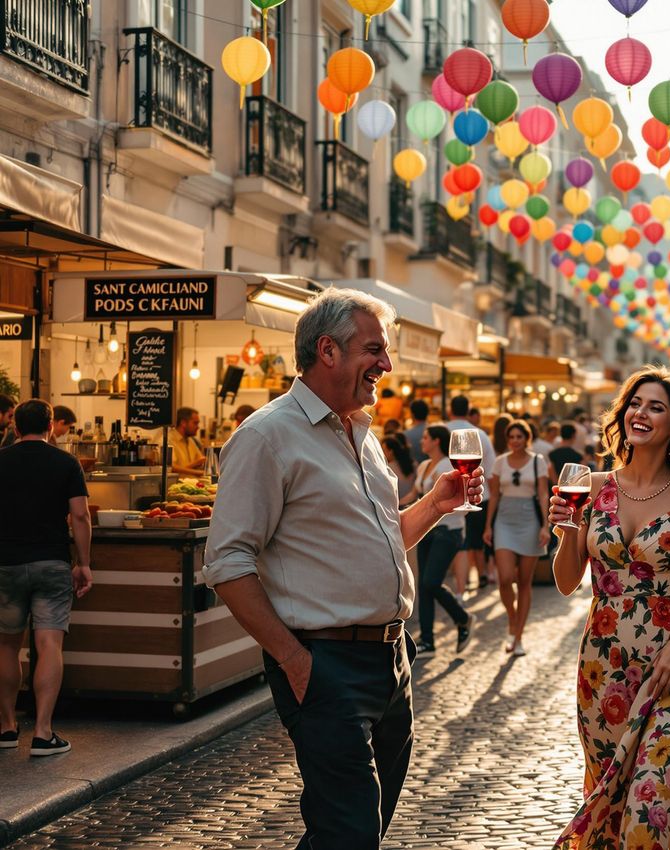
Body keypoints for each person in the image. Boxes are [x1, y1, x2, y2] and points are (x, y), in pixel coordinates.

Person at [203, 288, 484, 849]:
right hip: (324, 662)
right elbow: (227, 562)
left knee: (361, 826)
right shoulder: (265, 435)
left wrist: (434, 503)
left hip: (389, 660)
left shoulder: (362, 433)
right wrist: (294, 660)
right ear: (327, 351)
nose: (386, 364)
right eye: (374, 350)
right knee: (349, 829)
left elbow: (383, 542)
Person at [548, 366, 670, 850]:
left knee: (647, 819)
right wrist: (567, 530)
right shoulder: (592, 486)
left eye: (656, 407)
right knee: (611, 813)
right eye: (634, 403)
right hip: (603, 672)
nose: (640, 412)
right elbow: (567, 582)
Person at [0, 400, 93, 756]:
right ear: (51, 426)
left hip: (5, 563)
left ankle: (7, 727)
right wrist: (83, 563)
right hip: (52, 562)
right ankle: (42, 732)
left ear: (16, 426)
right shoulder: (66, 463)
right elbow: (80, 516)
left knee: (7, 645)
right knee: (49, 644)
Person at [483, 419, 550, 657]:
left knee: (524, 582)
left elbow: (543, 494)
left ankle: (518, 636)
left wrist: (545, 525)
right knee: (505, 578)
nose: (515, 441)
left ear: (526, 438)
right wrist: (488, 526)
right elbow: (493, 496)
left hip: (530, 520)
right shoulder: (500, 462)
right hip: (504, 519)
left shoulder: (537, 461)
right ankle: (512, 620)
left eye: (519, 437)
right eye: (511, 437)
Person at [409, 426, 472, 658]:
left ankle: (462, 618)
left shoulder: (448, 465)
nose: (421, 441)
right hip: (428, 529)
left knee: (430, 581)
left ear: (436, 441)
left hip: (448, 530)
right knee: (423, 586)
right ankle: (427, 641)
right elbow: (417, 497)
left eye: (425, 437)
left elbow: (450, 502)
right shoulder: (425, 466)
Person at [447, 395, 495, 597]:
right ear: (468, 411)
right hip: (479, 496)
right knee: (474, 541)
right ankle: (480, 574)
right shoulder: (481, 435)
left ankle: (462, 582)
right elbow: (490, 471)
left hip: (449, 498)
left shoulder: (442, 430)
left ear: (450, 410)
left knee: (461, 543)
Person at [382, 435, 418, 509]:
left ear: (391, 451)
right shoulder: (414, 464)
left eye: (383, 450)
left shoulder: (387, 468)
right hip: (414, 504)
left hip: (397, 507)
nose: (382, 454)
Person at [170, 407, 206, 476]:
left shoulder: (190, 440)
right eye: (195, 423)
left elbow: (200, 460)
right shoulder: (169, 440)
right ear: (183, 423)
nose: (198, 427)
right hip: (177, 485)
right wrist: (198, 470)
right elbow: (171, 468)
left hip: (194, 484)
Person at [403, 399, 429, 464]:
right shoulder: (434, 432)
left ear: (412, 414)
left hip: (412, 471)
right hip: (431, 470)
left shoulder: (405, 435)